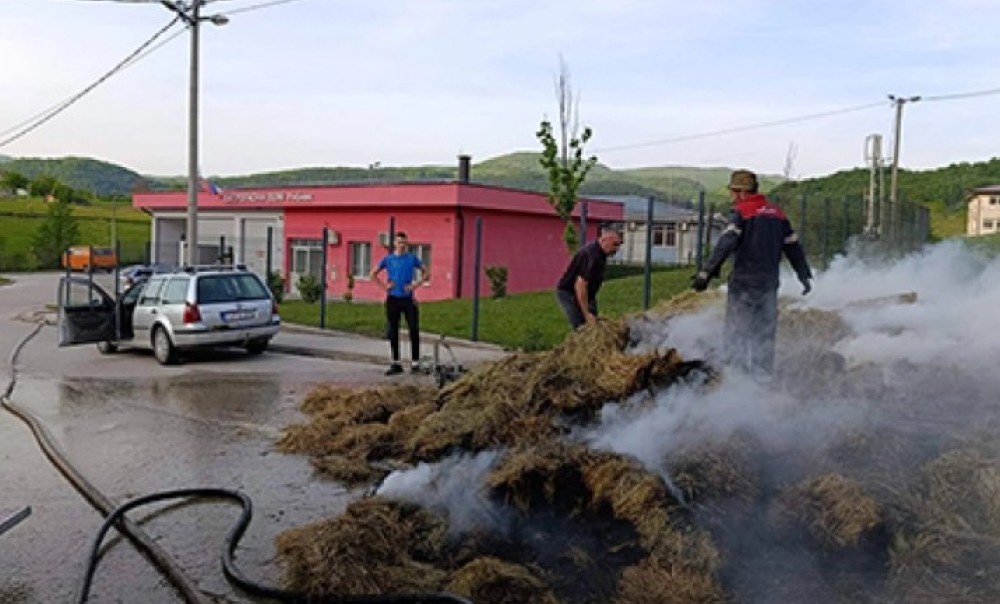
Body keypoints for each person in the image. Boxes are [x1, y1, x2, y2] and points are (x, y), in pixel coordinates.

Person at [691, 169, 813, 377]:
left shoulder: (742, 212)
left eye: (733, 192)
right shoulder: (778, 214)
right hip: (769, 284)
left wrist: (705, 273)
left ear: (740, 192)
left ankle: (733, 379)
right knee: (764, 334)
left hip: (743, 283)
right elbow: (793, 247)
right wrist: (804, 275)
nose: (732, 196)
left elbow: (726, 243)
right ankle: (762, 379)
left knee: (737, 330)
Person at [370, 232, 429, 375]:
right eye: (399, 242)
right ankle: (396, 363)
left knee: (413, 329)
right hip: (393, 298)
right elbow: (372, 274)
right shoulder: (389, 259)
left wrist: (415, 285)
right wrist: (385, 287)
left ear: (406, 244)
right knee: (393, 330)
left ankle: (415, 363)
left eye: (404, 242)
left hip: (408, 298)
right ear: (395, 244)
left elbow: (426, 272)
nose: (401, 245)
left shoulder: (411, 258)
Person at [555, 226, 623, 329]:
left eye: (619, 245)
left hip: (588, 293)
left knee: (594, 324)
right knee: (582, 326)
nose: (617, 249)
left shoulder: (601, 254)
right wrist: (587, 314)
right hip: (569, 292)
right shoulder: (591, 255)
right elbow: (580, 285)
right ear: (604, 240)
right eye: (615, 244)